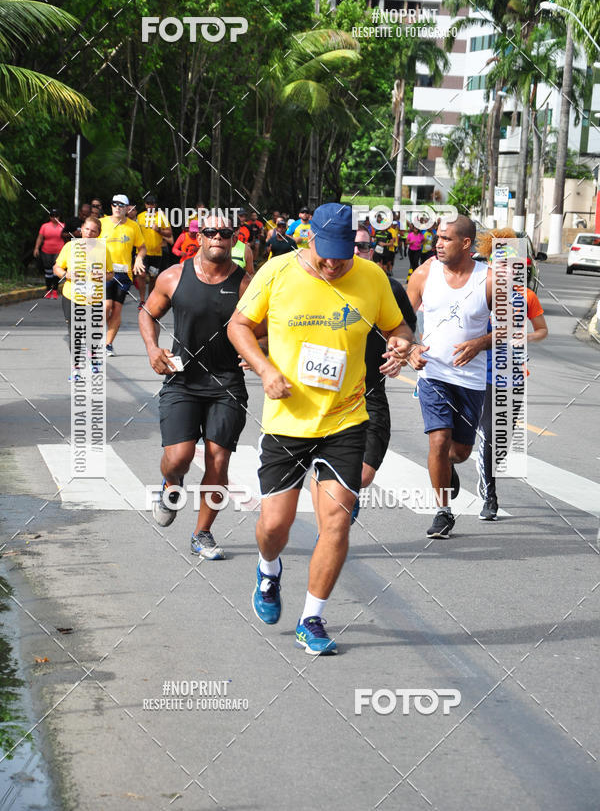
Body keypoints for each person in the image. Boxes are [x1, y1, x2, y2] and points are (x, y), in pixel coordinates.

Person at [228, 203, 413, 655]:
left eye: (342, 255)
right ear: (309, 238)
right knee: (275, 525)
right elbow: (238, 326)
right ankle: (268, 570)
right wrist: (266, 369)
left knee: (337, 520)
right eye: (325, 254)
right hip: (288, 419)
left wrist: (402, 345)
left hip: (346, 419)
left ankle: (312, 618)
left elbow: (400, 326)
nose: (333, 264)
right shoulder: (276, 271)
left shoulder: (372, 278)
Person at [139, 215, 252, 560]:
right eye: (211, 232)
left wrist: (257, 351)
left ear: (234, 241)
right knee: (179, 457)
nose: (218, 237)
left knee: (218, 462)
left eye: (225, 233)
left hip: (228, 383)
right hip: (182, 380)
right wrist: (152, 348)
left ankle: (202, 534)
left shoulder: (246, 285)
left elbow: (263, 327)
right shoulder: (174, 276)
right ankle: (171, 484)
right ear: (198, 238)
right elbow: (147, 313)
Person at [407, 215, 493, 538]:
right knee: (439, 441)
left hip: (469, 379)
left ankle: (448, 468)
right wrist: (411, 347)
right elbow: (397, 318)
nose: (438, 244)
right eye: (437, 238)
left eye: (446, 239)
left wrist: (481, 342)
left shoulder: (489, 279)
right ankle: (443, 512)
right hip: (433, 373)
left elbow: (513, 329)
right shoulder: (426, 272)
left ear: (466, 244)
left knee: (459, 451)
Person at [475, 228, 548, 520]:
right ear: (491, 263)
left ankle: (488, 468)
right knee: (491, 435)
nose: (507, 269)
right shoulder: (480, 293)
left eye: (513, 264)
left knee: (504, 440)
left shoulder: (527, 296)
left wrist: (525, 338)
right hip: (485, 374)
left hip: (515, 375)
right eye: (501, 264)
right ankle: (489, 497)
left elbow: (542, 330)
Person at [347, 226, 417, 518]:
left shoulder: (390, 287)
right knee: (331, 472)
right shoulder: (321, 284)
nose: (356, 251)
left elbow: (405, 332)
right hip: (327, 396)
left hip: (370, 392)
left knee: (363, 475)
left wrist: (400, 355)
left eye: (363, 246)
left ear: (372, 249)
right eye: (350, 244)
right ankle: (334, 516)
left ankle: (346, 496)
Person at [53, 215, 114, 377]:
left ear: (98, 234)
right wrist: (67, 274)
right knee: (75, 332)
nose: (89, 233)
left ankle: (94, 359)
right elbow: (56, 268)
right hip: (71, 296)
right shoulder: (70, 247)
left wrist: (101, 274)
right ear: (81, 230)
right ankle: (76, 368)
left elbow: (110, 274)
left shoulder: (103, 249)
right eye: (86, 229)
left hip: (94, 298)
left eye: (93, 231)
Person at [99, 194, 146, 356]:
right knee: (107, 306)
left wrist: (139, 259)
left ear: (127, 208)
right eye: (114, 204)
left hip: (124, 274)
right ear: (111, 206)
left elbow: (142, 247)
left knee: (117, 310)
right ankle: (96, 339)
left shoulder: (133, 226)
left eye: (121, 205)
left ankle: (108, 344)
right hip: (104, 272)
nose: (117, 207)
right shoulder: (102, 223)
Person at [136, 194, 174, 309]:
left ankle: (149, 299)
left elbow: (169, 233)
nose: (150, 206)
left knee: (153, 277)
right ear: (145, 205)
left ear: (155, 205)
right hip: (143, 252)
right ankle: (142, 300)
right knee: (141, 275)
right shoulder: (140, 217)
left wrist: (159, 230)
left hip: (156, 253)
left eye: (152, 204)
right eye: (148, 204)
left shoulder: (161, 217)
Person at [34, 210, 65, 298]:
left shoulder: (63, 226)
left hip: (59, 251)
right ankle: (48, 290)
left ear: (59, 216)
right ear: (49, 216)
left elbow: (68, 236)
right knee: (48, 271)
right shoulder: (45, 226)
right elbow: (40, 238)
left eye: (56, 215)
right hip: (46, 251)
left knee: (56, 271)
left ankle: (55, 290)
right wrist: (36, 248)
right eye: (52, 215)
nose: (54, 217)